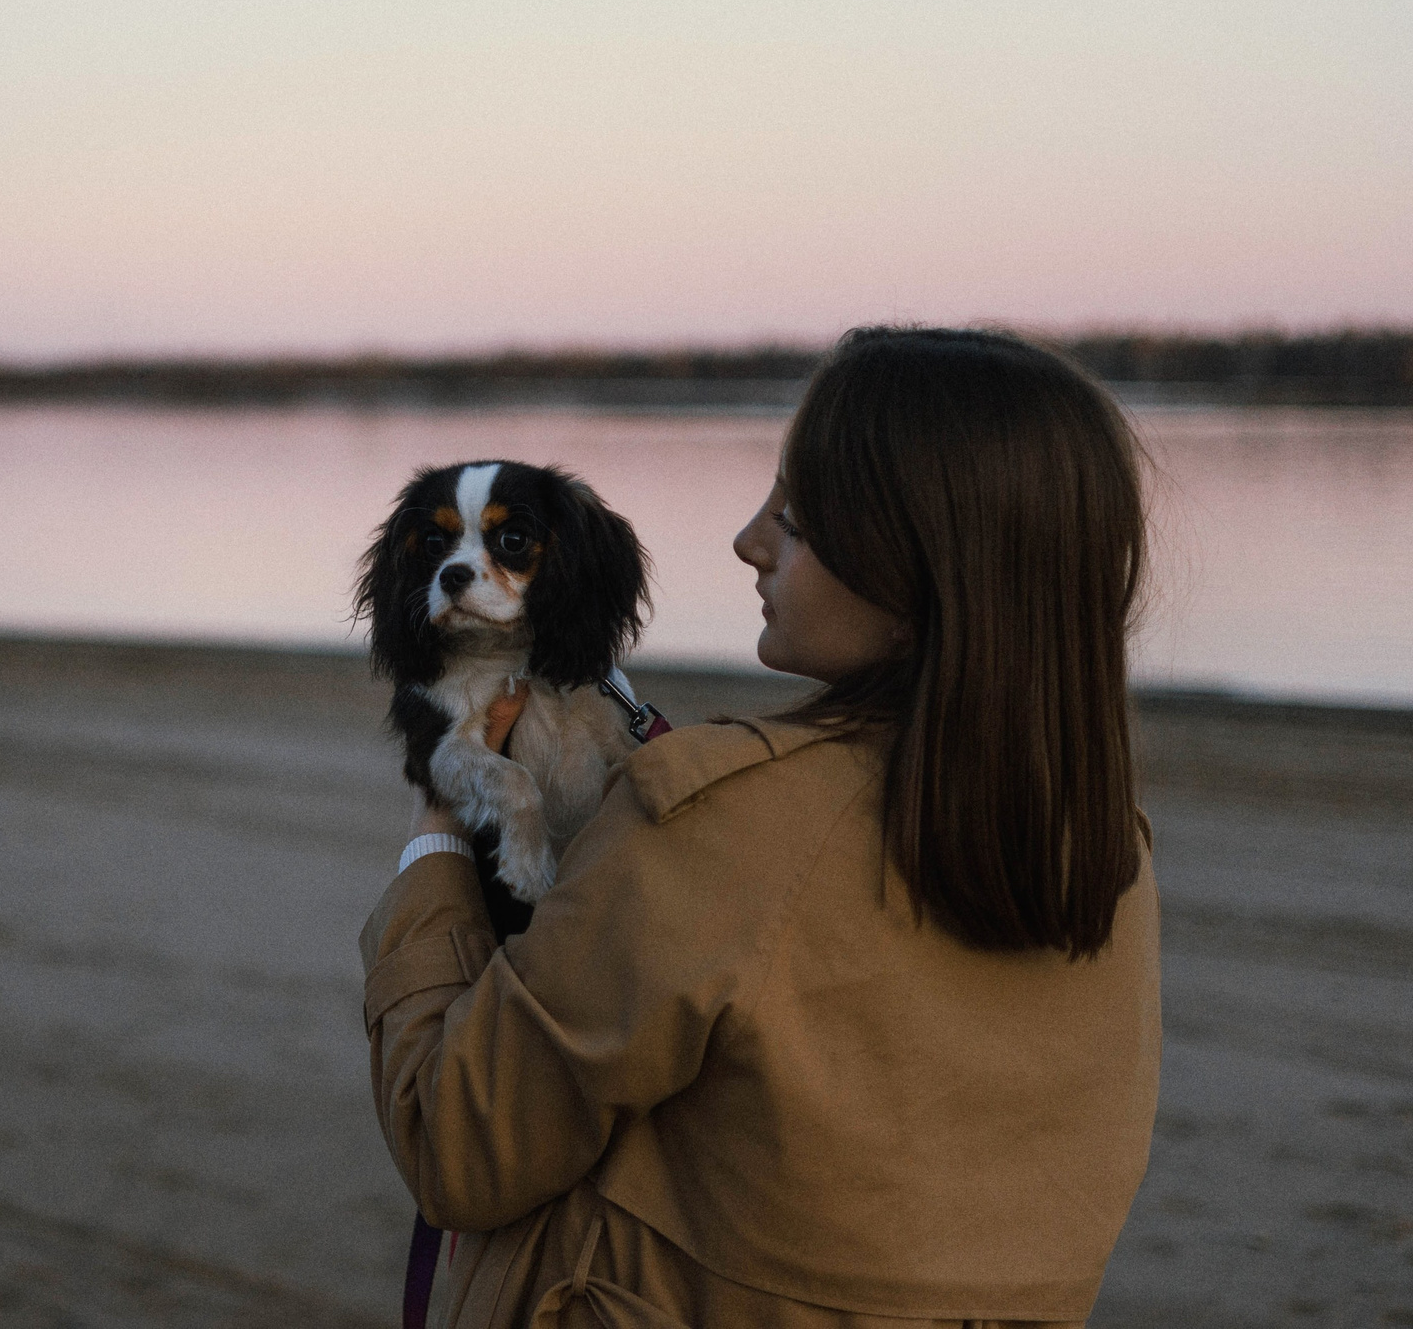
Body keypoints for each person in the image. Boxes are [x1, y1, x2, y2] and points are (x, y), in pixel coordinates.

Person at [362, 327, 1161, 1328]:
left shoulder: (712, 818)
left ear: (921, 566)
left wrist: (436, 830)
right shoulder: (1103, 848)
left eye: (797, 515)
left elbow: (456, 1144)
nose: (748, 539)